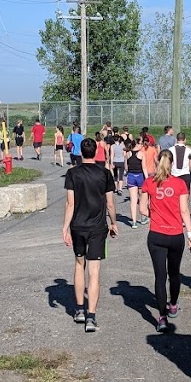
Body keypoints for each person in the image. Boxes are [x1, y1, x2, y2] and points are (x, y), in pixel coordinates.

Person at [62, 136, 118, 333]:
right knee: (94, 270)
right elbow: (110, 203)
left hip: (77, 226)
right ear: (95, 152)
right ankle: (91, 316)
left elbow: (70, 203)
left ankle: (78, 309)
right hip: (97, 227)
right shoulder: (104, 173)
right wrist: (113, 222)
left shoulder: (72, 173)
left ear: (80, 152)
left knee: (79, 264)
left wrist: (65, 227)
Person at [142, 149, 191, 332]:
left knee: (160, 276)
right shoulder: (180, 184)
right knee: (174, 273)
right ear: (172, 164)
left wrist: (154, 214)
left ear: (157, 162)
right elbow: (184, 211)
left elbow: (142, 210)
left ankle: (162, 317)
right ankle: (173, 304)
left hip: (156, 235)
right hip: (175, 236)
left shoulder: (149, 182)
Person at [125, 133, 146, 227]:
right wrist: (147, 179)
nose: (142, 146)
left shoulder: (127, 154)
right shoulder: (141, 154)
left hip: (131, 176)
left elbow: (126, 168)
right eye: (141, 144)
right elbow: (144, 168)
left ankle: (133, 222)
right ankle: (142, 217)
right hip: (140, 176)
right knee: (142, 198)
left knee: (133, 200)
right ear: (137, 145)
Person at [110, 128, 127, 192]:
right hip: (121, 161)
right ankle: (120, 188)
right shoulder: (123, 145)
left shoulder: (112, 146)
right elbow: (124, 154)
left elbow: (112, 155)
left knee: (115, 175)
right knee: (121, 175)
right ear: (119, 139)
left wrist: (111, 163)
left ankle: (116, 188)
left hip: (115, 161)